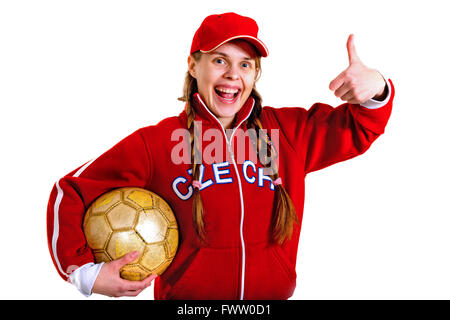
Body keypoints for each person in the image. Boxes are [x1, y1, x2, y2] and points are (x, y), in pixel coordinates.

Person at [47, 12, 394, 299]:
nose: (232, 74)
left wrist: (376, 87)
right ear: (193, 66)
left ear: (255, 73)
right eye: (219, 60)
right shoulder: (158, 142)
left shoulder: (287, 132)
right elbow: (72, 189)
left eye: (245, 64)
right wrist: (84, 274)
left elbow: (360, 128)